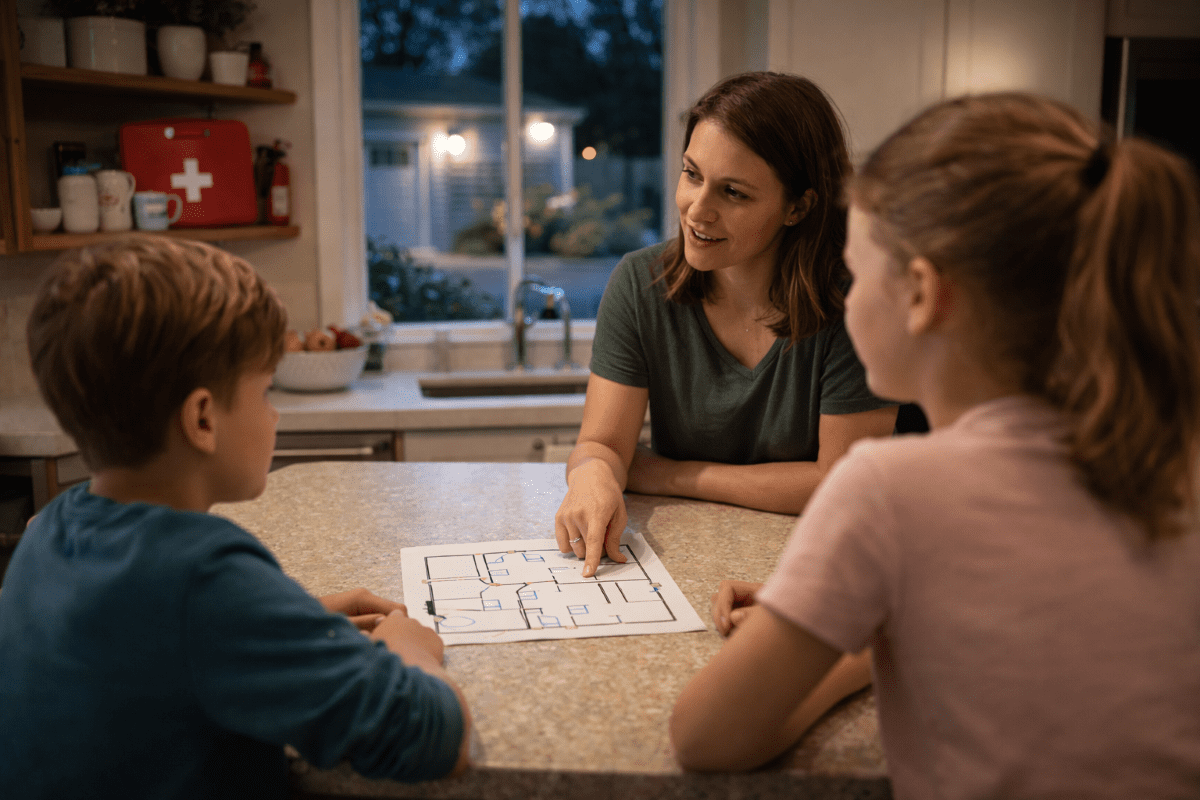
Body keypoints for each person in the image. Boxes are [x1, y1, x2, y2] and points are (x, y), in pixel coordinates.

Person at [670, 92, 1200, 798]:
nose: (845, 297)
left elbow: (706, 736)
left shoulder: (889, 491)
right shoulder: (1176, 455)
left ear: (920, 293)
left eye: (857, 272)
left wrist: (866, 624)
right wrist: (870, 601)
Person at [0, 237, 471, 798]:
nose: (274, 414)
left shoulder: (48, 531)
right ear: (202, 418)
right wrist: (411, 651)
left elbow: (148, 638)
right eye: (266, 391)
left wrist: (282, 617)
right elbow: (433, 737)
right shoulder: (205, 576)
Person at [555, 72, 897, 579]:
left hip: (815, 568)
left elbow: (842, 482)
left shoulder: (857, 303)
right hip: (683, 563)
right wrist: (592, 476)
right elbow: (603, 446)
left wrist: (672, 475)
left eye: (733, 192)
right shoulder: (639, 283)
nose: (698, 208)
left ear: (798, 207)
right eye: (692, 174)